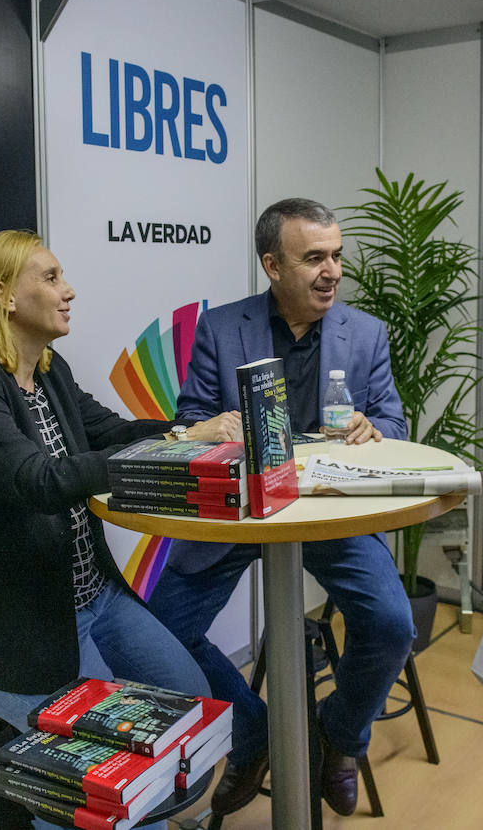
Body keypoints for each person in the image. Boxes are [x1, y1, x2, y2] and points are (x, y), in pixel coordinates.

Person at [0, 230, 240, 830]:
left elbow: (112, 432)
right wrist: (177, 445)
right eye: (51, 277)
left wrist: (192, 431)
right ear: (3, 294)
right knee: (100, 780)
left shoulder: (49, 370)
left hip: (94, 598)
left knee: (192, 705)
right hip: (14, 620)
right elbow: (36, 480)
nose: (69, 291)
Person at [146, 198, 413, 817]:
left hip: (327, 512)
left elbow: (395, 420)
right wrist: (213, 427)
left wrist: (377, 429)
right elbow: (191, 419)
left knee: (393, 626)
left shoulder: (365, 332)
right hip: (240, 509)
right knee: (163, 632)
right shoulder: (221, 328)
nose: (332, 271)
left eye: (336, 256)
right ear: (271, 264)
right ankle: (257, 733)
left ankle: (339, 736)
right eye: (313, 258)